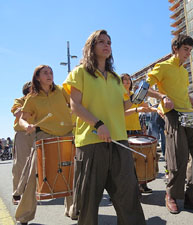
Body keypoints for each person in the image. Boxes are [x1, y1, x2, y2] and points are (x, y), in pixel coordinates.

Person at [63, 29, 146, 225]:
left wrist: (137, 100)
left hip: (119, 140)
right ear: (91, 47)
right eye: (101, 41)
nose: (106, 44)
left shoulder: (116, 78)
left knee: (128, 195)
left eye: (108, 42)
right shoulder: (80, 72)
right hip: (91, 141)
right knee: (89, 200)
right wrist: (98, 124)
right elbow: (75, 106)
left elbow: (121, 106)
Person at [146, 34, 193, 214]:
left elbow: (181, 92)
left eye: (190, 50)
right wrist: (162, 97)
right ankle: (171, 195)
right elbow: (145, 87)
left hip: (189, 114)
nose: (188, 53)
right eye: (185, 49)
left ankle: (192, 196)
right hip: (173, 114)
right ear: (175, 48)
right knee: (178, 155)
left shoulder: (183, 71)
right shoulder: (162, 66)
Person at [16, 65, 74, 225]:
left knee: (72, 171)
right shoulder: (32, 98)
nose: (49, 75)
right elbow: (22, 119)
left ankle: (73, 209)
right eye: (45, 73)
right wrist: (26, 125)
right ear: (38, 77)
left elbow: (74, 106)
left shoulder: (61, 91)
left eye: (51, 72)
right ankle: (24, 215)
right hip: (45, 136)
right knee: (35, 174)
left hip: (68, 133)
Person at [121, 73, 155, 193]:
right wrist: (137, 109)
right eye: (124, 80)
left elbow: (145, 107)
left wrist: (158, 109)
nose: (127, 82)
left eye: (128, 80)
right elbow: (121, 112)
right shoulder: (118, 94)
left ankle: (142, 183)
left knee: (140, 158)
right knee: (125, 161)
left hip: (136, 128)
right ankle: (124, 189)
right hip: (122, 130)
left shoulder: (134, 95)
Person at [10, 81, 34, 205]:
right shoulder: (19, 100)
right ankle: (17, 194)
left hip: (37, 133)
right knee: (20, 164)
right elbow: (17, 113)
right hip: (22, 134)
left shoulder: (40, 100)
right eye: (33, 88)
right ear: (27, 90)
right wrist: (29, 103)